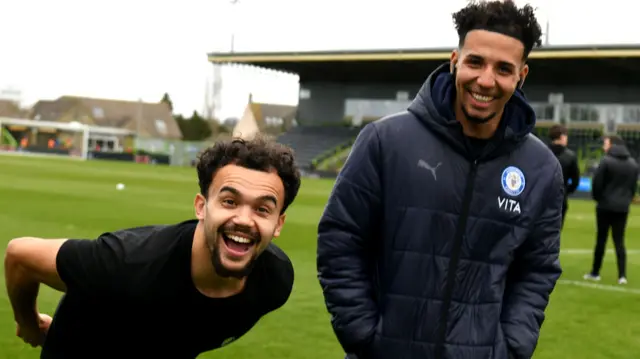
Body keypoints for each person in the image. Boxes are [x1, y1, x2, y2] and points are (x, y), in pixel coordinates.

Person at [316, 1, 564, 359]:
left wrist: (510, 347)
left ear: (521, 76)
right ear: (454, 61)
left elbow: (537, 270)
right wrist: (364, 335)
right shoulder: (386, 141)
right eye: (475, 62)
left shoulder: (541, 169)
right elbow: (341, 239)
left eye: (503, 69)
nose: (485, 80)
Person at [5, 135, 301, 358]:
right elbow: (20, 254)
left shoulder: (274, 281)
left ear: (278, 224)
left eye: (263, 209)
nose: (244, 220)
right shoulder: (127, 263)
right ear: (201, 207)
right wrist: (29, 322)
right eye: (229, 201)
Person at [585, 135, 638, 285]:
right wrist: (627, 200)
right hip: (623, 207)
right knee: (619, 241)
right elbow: (633, 187)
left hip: (605, 206)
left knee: (601, 240)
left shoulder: (606, 161)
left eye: (606, 143)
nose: (604, 146)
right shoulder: (633, 164)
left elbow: (597, 183)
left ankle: (595, 272)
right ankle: (622, 275)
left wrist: (599, 198)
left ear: (613, 145)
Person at [548, 124, 580, 227]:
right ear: (562, 137)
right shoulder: (570, 156)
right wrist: (566, 191)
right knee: (555, 232)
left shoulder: (541, 152)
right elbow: (575, 180)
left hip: (541, 197)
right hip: (560, 197)